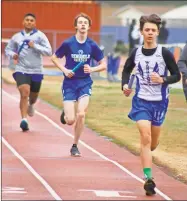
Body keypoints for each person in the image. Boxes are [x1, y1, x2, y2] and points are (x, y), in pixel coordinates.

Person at [121, 14, 181, 196]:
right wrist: (124, 85)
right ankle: (148, 178)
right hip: (141, 101)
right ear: (141, 32)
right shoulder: (136, 53)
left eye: (153, 30)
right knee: (145, 137)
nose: (150, 33)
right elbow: (126, 69)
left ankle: (151, 149)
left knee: (152, 143)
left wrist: (163, 79)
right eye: (147, 29)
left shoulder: (164, 53)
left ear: (157, 32)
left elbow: (177, 75)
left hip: (160, 103)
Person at [51, 13, 106, 157]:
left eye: (85, 23)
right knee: (70, 121)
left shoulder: (92, 45)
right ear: (76, 26)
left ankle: (75, 145)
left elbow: (103, 64)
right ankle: (67, 113)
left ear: (88, 26)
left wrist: (92, 69)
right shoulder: (68, 43)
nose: (82, 25)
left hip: (84, 83)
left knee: (81, 114)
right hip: (69, 83)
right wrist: (65, 70)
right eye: (80, 22)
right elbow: (54, 58)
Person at [5, 13, 52, 132]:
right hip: (22, 69)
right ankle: (24, 120)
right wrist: (13, 54)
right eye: (27, 20)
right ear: (23, 22)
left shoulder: (40, 36)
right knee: (24, 93)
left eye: (31, 20)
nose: (29, 22)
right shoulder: (16, 37)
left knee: (33, 96)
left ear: (34, 23)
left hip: (36, 70)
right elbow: (8, 49)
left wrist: (35, 46)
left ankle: (31, 105)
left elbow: (49, 51)